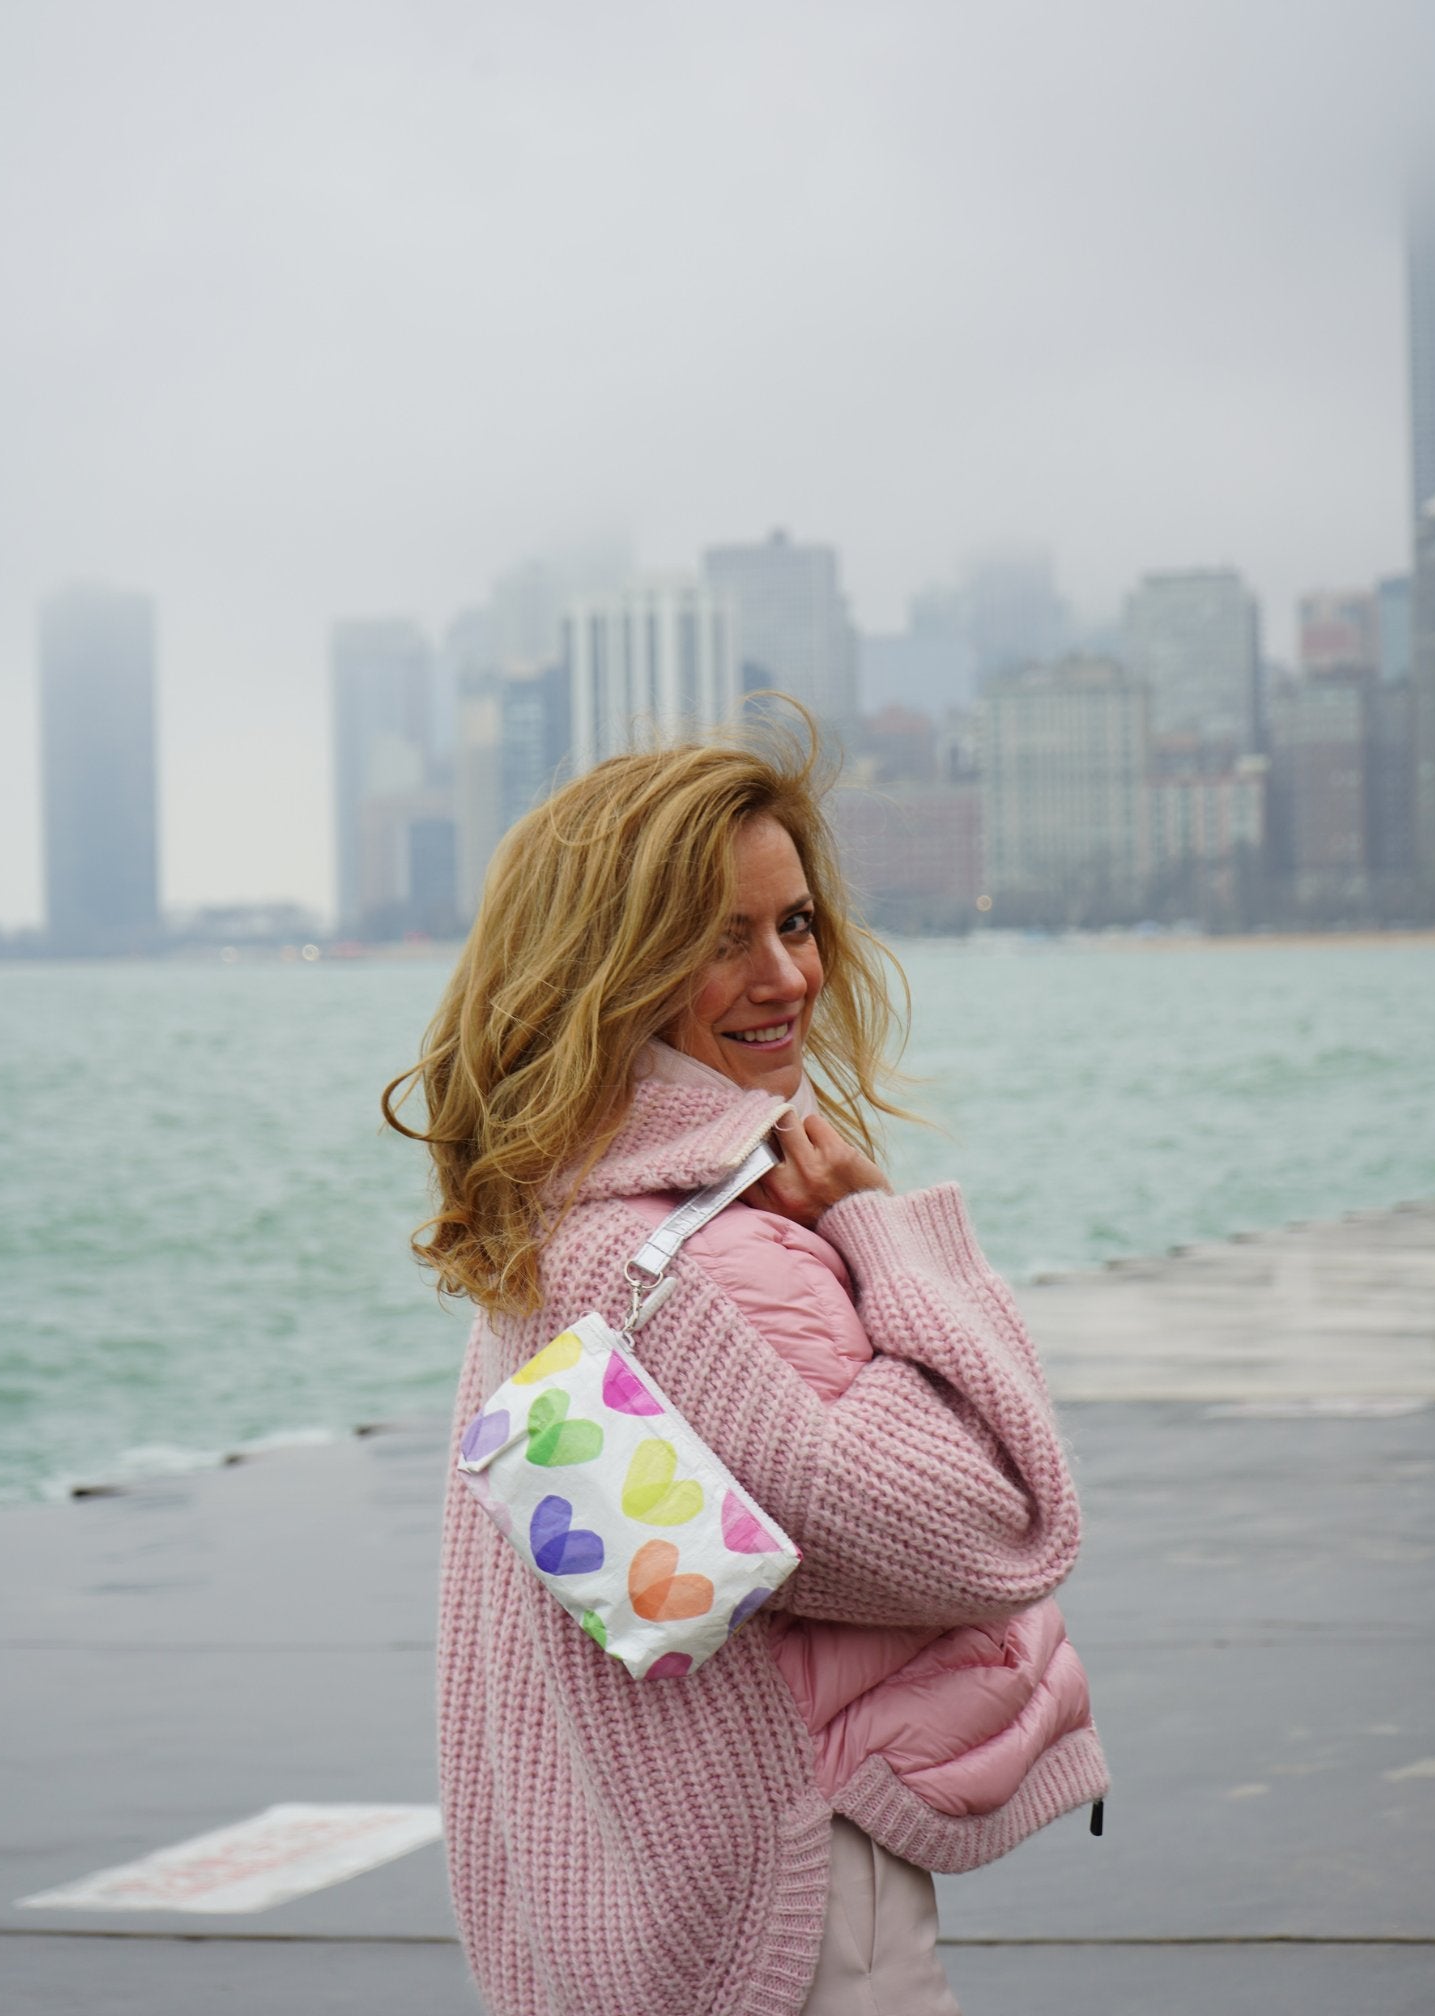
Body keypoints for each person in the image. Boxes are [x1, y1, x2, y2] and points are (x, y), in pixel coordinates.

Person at [385, 711, 1108, 2016]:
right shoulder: (701, 1260)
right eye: (721, 939)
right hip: (797, 1890)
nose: (786, 976)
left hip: (642, 1881)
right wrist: (887, 1236)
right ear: (613, 969)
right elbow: (995, 1520)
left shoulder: (555, 1222)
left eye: (796, 924)